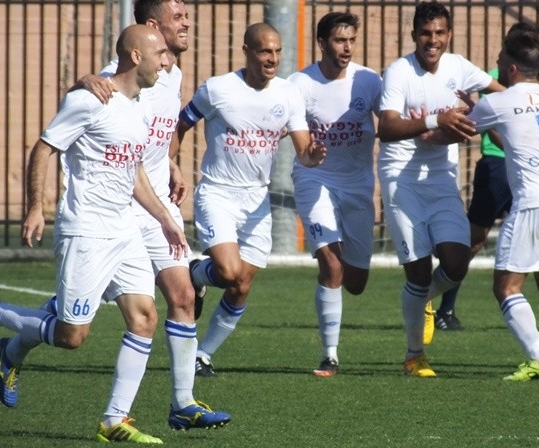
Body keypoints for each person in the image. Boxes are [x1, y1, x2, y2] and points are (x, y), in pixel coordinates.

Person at [0, 25, 188, 443]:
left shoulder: (138, 106)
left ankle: (113, 420)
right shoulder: (90, 99)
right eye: (159, 53)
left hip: (124, 230)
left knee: (144, 317)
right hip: (86, 230)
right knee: (72, 336)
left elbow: (134, 171)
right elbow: (45, 147)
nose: (166, 61)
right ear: (136, 56)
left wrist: (164, 218)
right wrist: (35, 207)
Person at [74, 0, 231, 429]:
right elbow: (89, 98)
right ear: (151, 26)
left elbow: (153, 139)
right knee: (73, 327)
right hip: (125, 208)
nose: (187, 23)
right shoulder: (126, 72)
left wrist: (172, 164)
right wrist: (83, 82)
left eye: (186, 16)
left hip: (158, 202)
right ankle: (14, 346)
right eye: (177, 17)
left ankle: (183, 404)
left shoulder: (172, 72)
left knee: (182, 297)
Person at [172, 23, 326, 377]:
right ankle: (196, 272)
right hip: (218, 193)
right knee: (229, 272)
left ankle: (203, 355)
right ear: (247, 51)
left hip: (257, 201)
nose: (272, 58)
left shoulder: (288, 94)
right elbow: (181, 125)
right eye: (264, 51)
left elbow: (304, 151)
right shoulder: (218, 89)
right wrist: (167, 166)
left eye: (277, 51)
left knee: (241, 284)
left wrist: (313, 156)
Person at [376, 0, 503, 378]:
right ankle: (414, 356)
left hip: (441, 177)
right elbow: (387, 128)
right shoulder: (399, 71)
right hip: (401, 178)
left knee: (457, 262)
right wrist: (436, 119)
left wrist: (508, 107)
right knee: (417, 272)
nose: (433, 40)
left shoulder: (459, 67)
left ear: (449, 34)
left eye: (440, 33)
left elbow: (503, 93)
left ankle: (421, 302)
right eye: (426, 33)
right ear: (414, 35)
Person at [462, 31, 539, 380]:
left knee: (506, 286)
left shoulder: (498, 101)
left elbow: (458, 129)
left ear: (511, 68)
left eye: (499, 62)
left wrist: (455, 115)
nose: (496, 68)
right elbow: (514, 138)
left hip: (533, 204)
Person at [287, 12, 382, 376]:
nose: (347, 48)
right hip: (315, 178)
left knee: (355, 282)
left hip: (358, 185)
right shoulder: (300, 84)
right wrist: (307, 152)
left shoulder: (368, 81)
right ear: (322, 43)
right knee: (332, 264)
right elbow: (296, 138)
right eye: (340, 40)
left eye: (352, 41)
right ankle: (330, 355)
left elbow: (390, 120)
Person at [434, 21, 538, 332]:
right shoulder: (493, 79)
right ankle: (444, 308)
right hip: (497, 167)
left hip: (523, 170)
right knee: (475, 241)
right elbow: (479, 120)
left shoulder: (535, 84)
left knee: (537, 241)